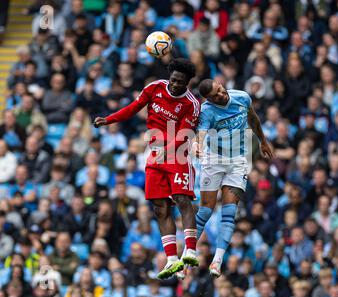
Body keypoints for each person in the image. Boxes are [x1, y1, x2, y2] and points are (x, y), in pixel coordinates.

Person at [93, 58, 200, 279]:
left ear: (188, 83)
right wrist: (109, 120)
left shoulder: (191, 104)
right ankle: (172, 259)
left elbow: (185, 134)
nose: (175, 85)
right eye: (173, 80)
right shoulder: (155, 88)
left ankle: (190, 249)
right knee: (159, 207)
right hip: (154, 154)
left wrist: (167, 150)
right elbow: (133, 108)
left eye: (181, 82)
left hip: (178, 155)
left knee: (181, 199)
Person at [179, 79, 273, 278]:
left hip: (238, 159)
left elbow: (253, 118)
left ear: (221, 85)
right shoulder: (206, 111)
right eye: (215, 96)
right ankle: (187, 252)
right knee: (205, 210)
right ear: (208, 99)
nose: (221, 95)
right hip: (214, 159)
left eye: (220, 90)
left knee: (230, 211)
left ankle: (217, 261)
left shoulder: (241, 96)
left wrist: (263, 142)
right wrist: (197, 145)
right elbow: (201, 133)